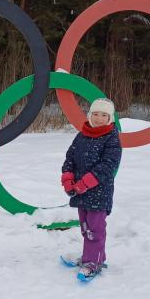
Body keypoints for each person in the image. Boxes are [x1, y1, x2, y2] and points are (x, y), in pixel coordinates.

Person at [60, 98, 122, 279]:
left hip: (98, 193)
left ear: (110, 118)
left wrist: (84, 183)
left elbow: (108, 165)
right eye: (95, 114)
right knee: (85, 226)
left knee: (95, 229)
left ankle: (93, 262)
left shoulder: (111, 138)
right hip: (80, 192)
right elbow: (70, 157)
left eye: (104, 115)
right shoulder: (82, 135)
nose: (99, 118)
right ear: (89, 115)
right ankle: (92, 256)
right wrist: (68, 179)